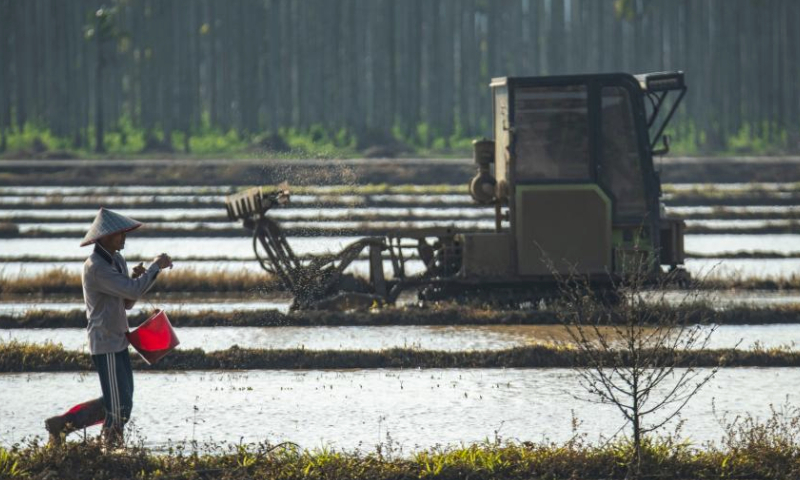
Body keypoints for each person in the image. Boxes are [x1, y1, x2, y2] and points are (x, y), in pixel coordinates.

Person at [45, 208, 173, 448]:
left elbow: (127, 302)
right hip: (105, 342)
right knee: (119, 406)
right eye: (119, 234)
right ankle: (110, 449)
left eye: (124, 233)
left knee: (121, 400)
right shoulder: (96, 267)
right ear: (104, 237)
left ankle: (63, 425)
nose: (123, 238)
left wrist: (138, 278)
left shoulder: (117, 260)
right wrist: (155, 267)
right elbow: (132, 291)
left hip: (119, 339)